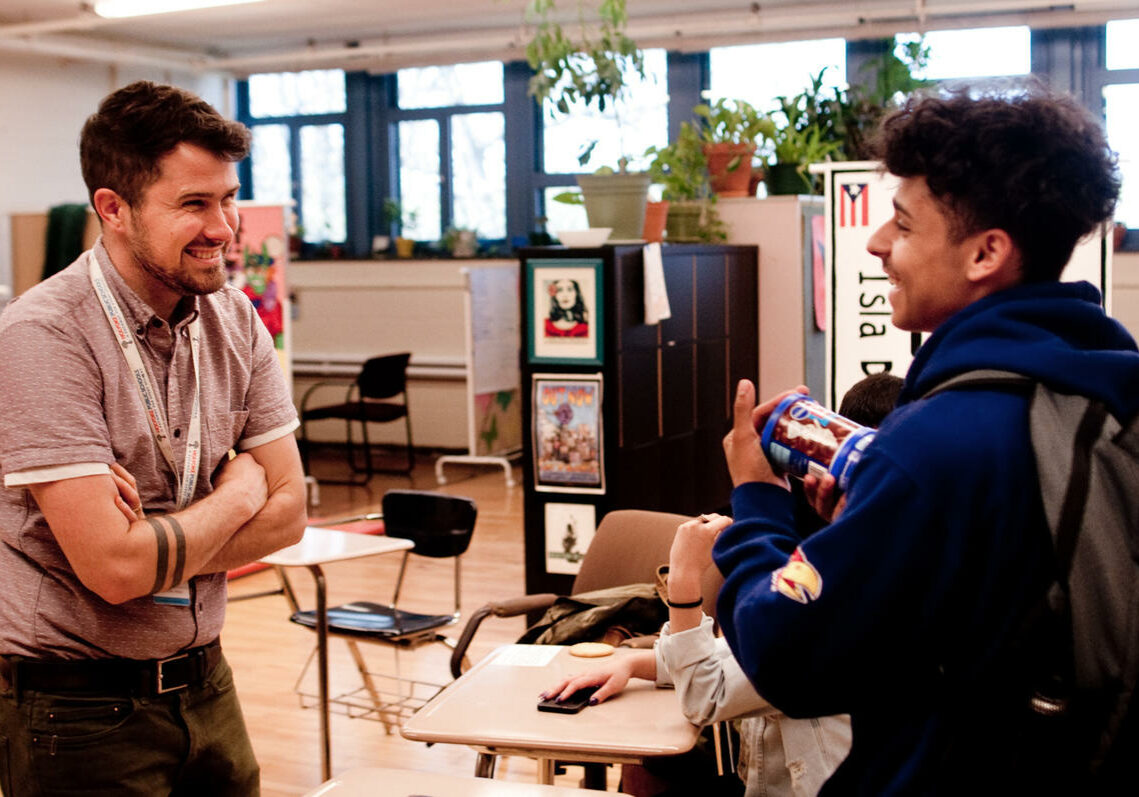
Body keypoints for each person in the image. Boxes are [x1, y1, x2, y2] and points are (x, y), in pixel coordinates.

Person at [715, 88, 1139, 793]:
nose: (879, 243)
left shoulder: (936, 446)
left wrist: (756, 501)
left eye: (903, 226)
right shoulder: (1101, 392)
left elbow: (784, 655)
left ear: (985, 253)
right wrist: (867, 524)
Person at [0, 81, 307, 795]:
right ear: (113, 208)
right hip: (77, 710)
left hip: (208, 684)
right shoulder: (44, 337)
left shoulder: (235, 320)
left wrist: (153, 546)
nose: (225, 227)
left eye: (228, 198)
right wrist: (237, 493)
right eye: (194, 204)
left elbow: (290, 513)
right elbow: (113, 568)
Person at [545, 374, 903, 797]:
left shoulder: (849, 589)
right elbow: (746, 652)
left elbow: (708, 692)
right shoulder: (888, 560)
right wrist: (634, 664)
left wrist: (684, 576)